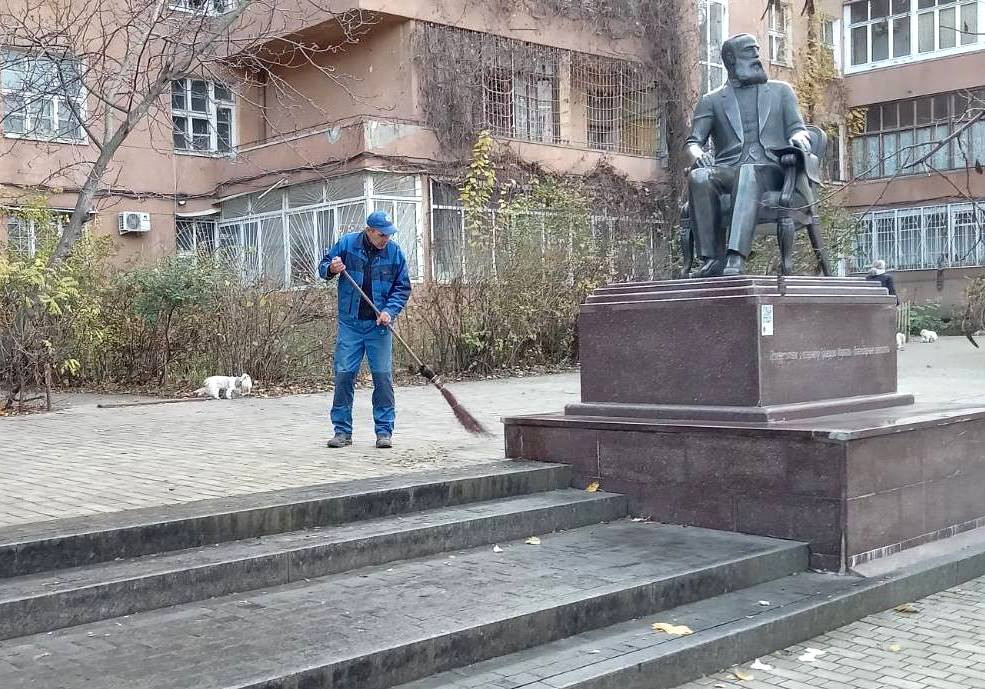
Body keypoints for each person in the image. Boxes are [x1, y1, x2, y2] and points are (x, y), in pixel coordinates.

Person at [684, 33, 812, 277]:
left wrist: (799, 140)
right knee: (699, 176)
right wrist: (698, 155)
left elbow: (799, 129)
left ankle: (736, 257)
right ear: (731, 59)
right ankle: (711, 260)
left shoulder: (781, 91)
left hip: (773, 169)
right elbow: (692, 143)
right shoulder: (711, 101)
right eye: (749, 51)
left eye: (757, 51)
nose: (756, 56)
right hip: (729, 170)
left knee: (748, 170)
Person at [318, 211, 411, 449]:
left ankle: (384, 432)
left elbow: (402, 287)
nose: (386, 239)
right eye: (382, 235)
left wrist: (389, 311)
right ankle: (342, 432)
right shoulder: (347, 244)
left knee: (382, 378)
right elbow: (323, 267)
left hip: (379, 326)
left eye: (389, 234)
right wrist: (332, 268)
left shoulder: (395, 252)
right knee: (344, 375)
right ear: (369, 231)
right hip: (350, 324)